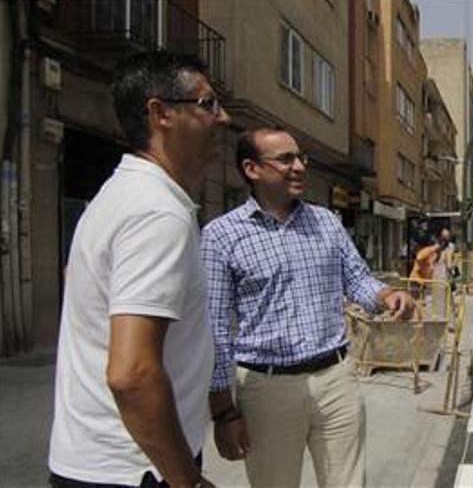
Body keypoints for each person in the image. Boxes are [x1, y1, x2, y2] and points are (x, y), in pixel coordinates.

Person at [48, 51, 230, 487]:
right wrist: (185, 479)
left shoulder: (119, 195)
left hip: (105, 461)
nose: (222, 118)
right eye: (208, 104)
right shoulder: (156, 212)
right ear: (160, 113)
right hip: (132, 469)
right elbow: (132, 373)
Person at [201, 128, 415, 488]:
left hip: (336, 379)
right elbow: (214, 329)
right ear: (252, 168)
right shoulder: (221, 235)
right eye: (286, 159)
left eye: (301, 158)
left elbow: (357, 279)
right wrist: (223, 412)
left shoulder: (327, 222)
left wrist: (386, 297)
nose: (299, 166)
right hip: (267, 389)